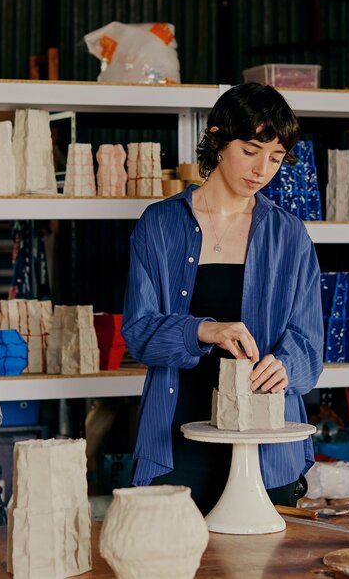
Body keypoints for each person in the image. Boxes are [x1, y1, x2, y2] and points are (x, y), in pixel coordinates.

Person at [121, 82, 323, 514]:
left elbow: (309, 347)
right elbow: (138, 334)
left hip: (267, 444)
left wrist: (286, 365)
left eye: (276, 157)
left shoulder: (289, 235)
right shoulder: (160, 225)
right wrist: (204, 330)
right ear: (217, 138)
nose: (262, 169)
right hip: (177, 439)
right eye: (251, 150)